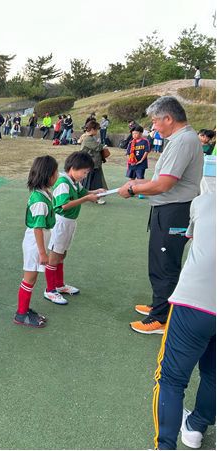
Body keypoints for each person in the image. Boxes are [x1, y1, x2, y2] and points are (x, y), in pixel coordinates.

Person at [117, 96, 204, 335]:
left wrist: (134, 189)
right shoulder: (180, 139)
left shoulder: (183, 141)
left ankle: (161, 318)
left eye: (156, 121)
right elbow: (160, 181)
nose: (153, 126)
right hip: (168, 208)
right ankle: (160, 305)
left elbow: (164, 184)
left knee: (165, 263)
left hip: (174, 210)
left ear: (169, 118)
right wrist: (139, 182)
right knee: (159, 260)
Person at [151, 190, 215, 450]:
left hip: (194, 303)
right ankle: (196, 426)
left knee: (170, 379)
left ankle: (164, 446)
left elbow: (189, 236)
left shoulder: (205, 201)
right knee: (214, 374)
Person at [46, 152, 104, 305]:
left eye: (87, 173)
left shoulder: (73, 181)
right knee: (54, 256)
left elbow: (83, 192)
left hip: (69, 222)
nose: (84, 176)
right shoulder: (63, 183)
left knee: (61, 255)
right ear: (73, 168)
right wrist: (86, 198)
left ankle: (59, 285)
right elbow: (64, 205)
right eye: (83, 172)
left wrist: (94, 192)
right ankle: (50, 290)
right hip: (60, 223)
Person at [13, 155, 58, 328]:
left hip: (39, 241)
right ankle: (21, 314)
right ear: (48, 175)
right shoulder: (40, 201)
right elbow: (37, 229)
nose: (57, 175)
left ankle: (24, 309)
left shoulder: (44, 193)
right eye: (55, 173)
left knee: (32, 278)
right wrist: (42, 253)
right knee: (29, 278)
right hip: (35, 244)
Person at [80, 120, 109, 205]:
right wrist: (103, 146)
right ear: (92, 129)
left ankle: (93, 197)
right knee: (94, 182)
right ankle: (95, 198)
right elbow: (97, 147)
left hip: (93, 164)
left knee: (90, 182)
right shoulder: (87, 138)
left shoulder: (90, 137)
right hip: (90, 164)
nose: (97, 131)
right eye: (96, 129)